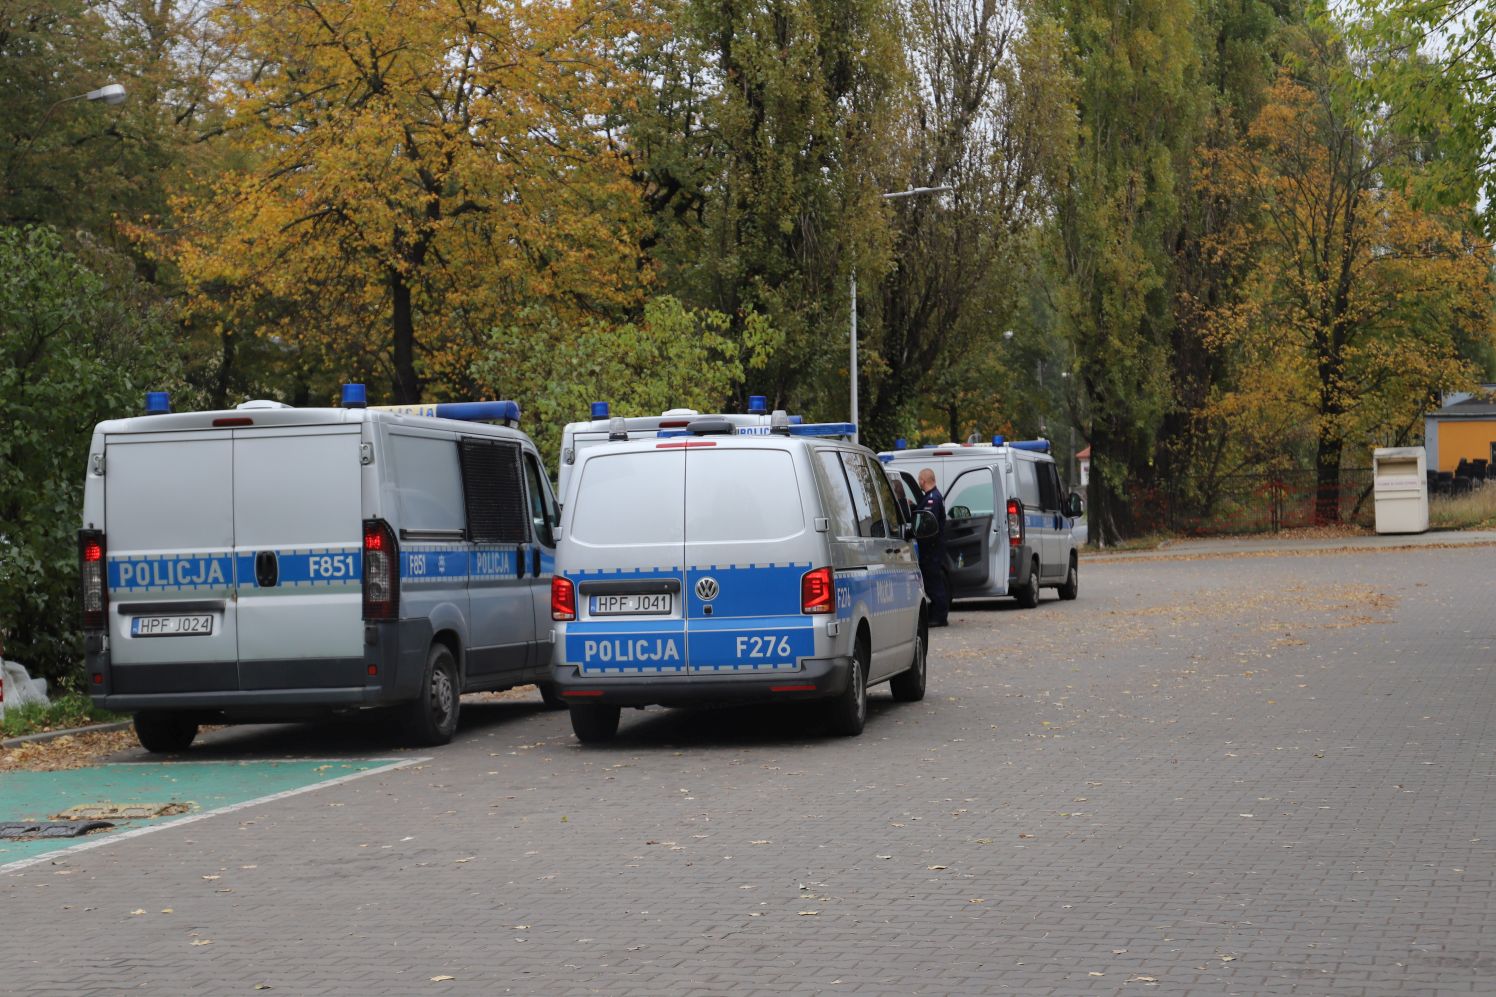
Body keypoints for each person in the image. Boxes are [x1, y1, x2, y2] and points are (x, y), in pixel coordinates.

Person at [915, 467, 950, 627]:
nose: (919, 482)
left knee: (934, 583)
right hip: (933, 548)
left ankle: (940, 617)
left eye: (919, 480)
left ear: (923, 480)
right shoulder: (932, 497)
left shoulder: (932, 499)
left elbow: (928, 523)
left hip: (931, 549)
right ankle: (937, 614)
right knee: (932, 582)